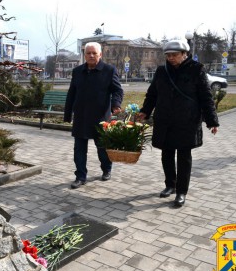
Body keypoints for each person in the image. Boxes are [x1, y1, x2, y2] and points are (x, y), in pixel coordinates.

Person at [137, 39, 219, 207]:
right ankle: (170, 185)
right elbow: (152, 94)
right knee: (166, 154)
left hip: (186, 120)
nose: (171, 58)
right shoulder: (162, 71)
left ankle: (181, 192)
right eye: (168, 55)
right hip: (164, 119)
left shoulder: (197, 70)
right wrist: (145, 111)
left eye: (174, 55)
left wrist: (212, 120)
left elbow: (206, 96)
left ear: (184, 54)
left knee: (183, 157)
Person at [64, 42, 124, 189]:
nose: (91, 55)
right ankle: (80, 176)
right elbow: (72, 93)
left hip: (100, 117)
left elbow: (117, 90)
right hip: (81, 116)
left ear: (100, 55)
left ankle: (106, 169)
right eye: (88, 53)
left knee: (102, 148)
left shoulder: (109, 70)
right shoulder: (78, 71)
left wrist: (116, 104)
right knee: (79, 149)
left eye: (94, 53)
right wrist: (67, 114)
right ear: (84, 55)